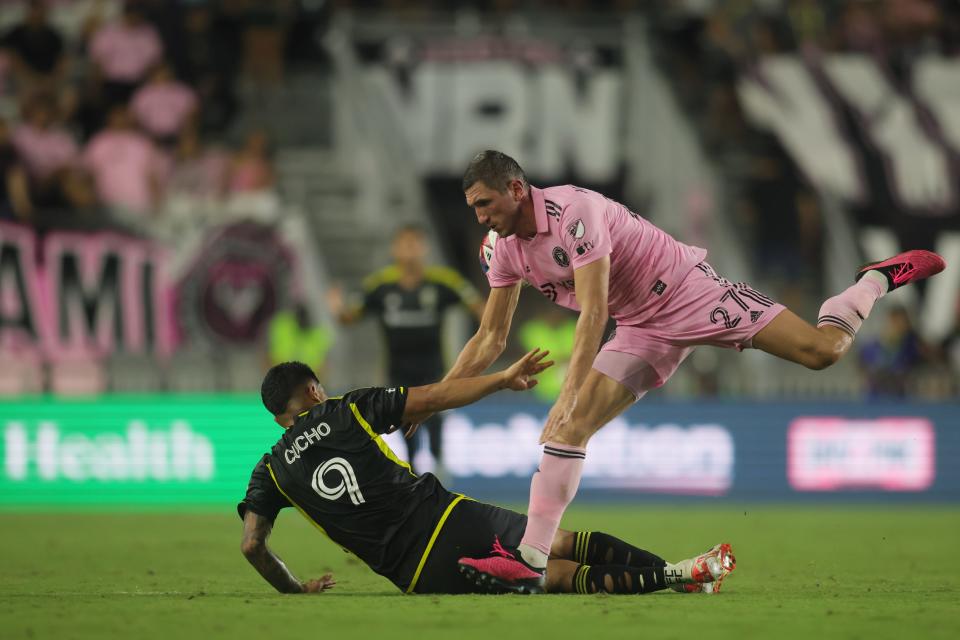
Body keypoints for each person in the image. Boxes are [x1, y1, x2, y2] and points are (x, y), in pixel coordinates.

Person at [449, 150, 945, 593]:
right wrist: (433, 397)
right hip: (641, 327)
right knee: (572, 427)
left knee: (822, 352)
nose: (481, 218)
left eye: (485, 204)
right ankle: (530, 558)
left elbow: (594, 312)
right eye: (474, 208)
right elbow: (489, 338)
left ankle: (875, 279)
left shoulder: (574, 211)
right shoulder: (506, 248)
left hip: (689, 292)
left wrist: (569, 388)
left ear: (517, 189)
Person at [238, 355, 735, 595]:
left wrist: (294, 589)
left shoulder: (270, 472)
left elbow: (252, 546)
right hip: (442, 518)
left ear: (278, 414)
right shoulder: (346, 410)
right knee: (556, 545)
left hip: (413, 575)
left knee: (553, 579)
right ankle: (679, 573)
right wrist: (500, 378)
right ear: (314, 391)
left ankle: (681, 576)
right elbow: (433, 398)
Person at [328, 225, 485, 474]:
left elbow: (479, 308)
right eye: (404, 244)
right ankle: (414, 480)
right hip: (397, 372)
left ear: (425, 248)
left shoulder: (443, 281)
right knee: (405, 432)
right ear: (395, 249)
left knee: (435, 429)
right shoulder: (381, 285)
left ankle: (440, 476)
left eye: (415, 244)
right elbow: (350, 317)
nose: (410, 250)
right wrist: (337, 308)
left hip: (434, 370)